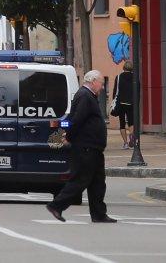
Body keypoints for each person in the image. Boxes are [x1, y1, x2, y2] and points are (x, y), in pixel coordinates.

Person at [46, 70, 116, 223]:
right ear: (92, 81)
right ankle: (56, 205)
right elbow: (77, 119)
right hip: (86, 147)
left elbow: (75, 118)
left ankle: (99, 214)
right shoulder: (85, 96)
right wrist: (69, 136)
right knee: (80, 180)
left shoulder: (88, 96)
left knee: (97, 182)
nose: (102, 87)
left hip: (93, 147)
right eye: (101, 83)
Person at [112, 61, 134, 149]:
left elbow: (115, 90)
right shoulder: (135, 77)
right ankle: (132, 136)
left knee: (122, 123)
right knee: (131, 122)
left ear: (124, 68)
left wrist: (114, 100)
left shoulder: (119, 77)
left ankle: (125, 143)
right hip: (131, 103)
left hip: (121, 103)